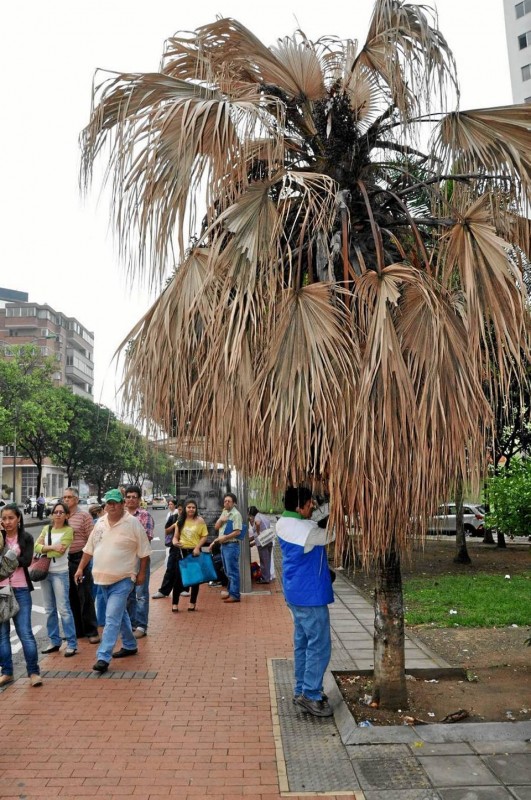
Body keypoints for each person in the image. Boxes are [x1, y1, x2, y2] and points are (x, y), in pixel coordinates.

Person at [74, 489, 151, 674]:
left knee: (111, 618)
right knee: (120, 614)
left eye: (115, 502)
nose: (112, 505)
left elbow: (145, 552)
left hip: (123, 578)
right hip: (101, 579)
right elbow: (89, 548)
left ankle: (103, 657)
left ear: (122, 503)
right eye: (109, 502)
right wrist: (80, 568)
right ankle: (130, 644)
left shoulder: (133, 523)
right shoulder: (99, 522)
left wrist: (141, 575)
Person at [276, 487, 334, 718]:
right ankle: (311, 694)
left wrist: (331, 504)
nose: (313, 507)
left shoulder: (286, 522)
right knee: (319, 646)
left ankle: (301, 688)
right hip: (309, 596)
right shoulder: (304, 531)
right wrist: (341, 511)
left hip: (295, 592)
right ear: (300, 507)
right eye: (310, 504)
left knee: (303, 643)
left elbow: (316, 520)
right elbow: (330, 534)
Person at [0, 503, 42, 687]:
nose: (7, 522)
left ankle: (33, 672)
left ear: (18, 519)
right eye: (4, 518)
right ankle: (7, 672)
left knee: (25, 632)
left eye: (11, 518)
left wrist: (7, 558)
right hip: (1, 591)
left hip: (21, 589)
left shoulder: (25, 538)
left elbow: (26, 561)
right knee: (2, 635)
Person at [35, 501, 78, 658]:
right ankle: (54, 641)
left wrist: (46, 549)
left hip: (60, 573)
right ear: (52, 514)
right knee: (49, 609)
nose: (58, 514)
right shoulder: (46, 529)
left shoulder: (69, 531)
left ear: (67, 515)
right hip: (44, 572)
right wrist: (53, 547)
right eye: (55, 512)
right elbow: (36, 547)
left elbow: (60, 553)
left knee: (64, 609)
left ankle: (72, 644)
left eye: (61, 512)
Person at [63, 487, 100, 644]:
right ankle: (77, 630)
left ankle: (91, 631)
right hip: (64, 560)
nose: (66, 500)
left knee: (85, 595)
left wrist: (86, 561)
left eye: (69, 497)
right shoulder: (61, 517)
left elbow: (92, 539)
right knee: (71, 597)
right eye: (64, 497)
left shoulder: (84, 516)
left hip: (81, 559)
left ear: (76, 499)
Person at [124, 485, 155, 639]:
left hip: (140, 559)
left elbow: (146, 539)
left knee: (141, 594)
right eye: (128, 496)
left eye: (134, 497)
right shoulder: (120, 515)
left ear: (139, 499)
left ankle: (141, 625)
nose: (131, 499)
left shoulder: (144, 516)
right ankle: (130, 623)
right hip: (123, 561)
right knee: (127, 593)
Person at [167, 499, 208, 612]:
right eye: (189, 507)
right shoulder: (180, 520)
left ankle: (192, 603)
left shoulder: (200, 521)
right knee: (178, 578)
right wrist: (175, 542)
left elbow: (204, 536)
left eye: (193, 507)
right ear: (185, 508)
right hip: (181, 552)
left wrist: (197, 547)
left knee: (195, 579)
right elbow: (175, 536)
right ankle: (175, 604)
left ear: (196, 509)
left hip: (194, 553)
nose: (191, 509)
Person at [209, 492, 243, 603]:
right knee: (227, 571)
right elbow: (216, 526)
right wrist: (221, 520)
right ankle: (230, 591)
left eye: (229, 501)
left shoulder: (236, 514)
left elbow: (238, 532)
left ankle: (235, 595)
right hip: (224, 545)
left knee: (233, 571)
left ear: (234, 503)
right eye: (225, 501)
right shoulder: (224, 512)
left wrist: (225, 537)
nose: (226, 503)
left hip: (231, 545)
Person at [152, 501, 184, 599]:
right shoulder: (173, 518)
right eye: (179, 509)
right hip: (174, 547)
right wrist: (174, 525)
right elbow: (166, 531)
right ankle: (164, 591)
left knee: (184, 569)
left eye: (183, 510)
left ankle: (184, 589)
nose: (181, 511)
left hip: (186, 547)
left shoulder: (190, 519)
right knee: (170, 568)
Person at [248, 505, 273, 584]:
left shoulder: (257, 517)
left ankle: (265, 579)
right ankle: (267, 577)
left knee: (263, 561)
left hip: (263, 543)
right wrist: (252, 541)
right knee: (267, 560)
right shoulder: (263, 516)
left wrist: (258, 532)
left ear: (252, 514)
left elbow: (258, 523)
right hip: (268, 539)